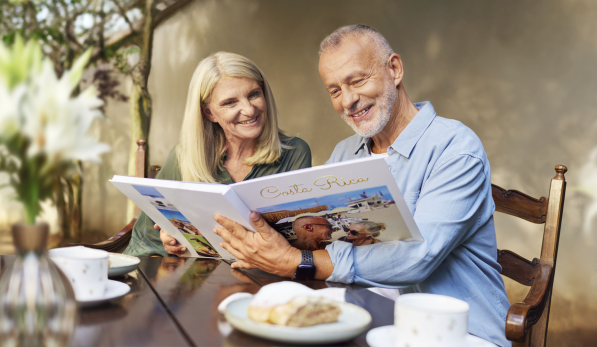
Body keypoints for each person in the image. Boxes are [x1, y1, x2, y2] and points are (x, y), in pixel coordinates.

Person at [213, 25, 510, 346]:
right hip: (366, 318)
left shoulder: (454, 147)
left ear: (394, 69)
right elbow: (317, 235)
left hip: (455, 331)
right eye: (335, 90)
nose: (348, 100)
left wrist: (298, 262)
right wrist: (261, 246)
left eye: (357, 81)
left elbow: (419, 258)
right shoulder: (346, 152)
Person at [123, 52, 312, 257]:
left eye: (254, 94)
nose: (249, 110)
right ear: (209, 113)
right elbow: (147, 237)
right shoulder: (185, 156)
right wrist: (171, 241)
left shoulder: (295, 153)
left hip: (263, 275)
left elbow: (297, 239)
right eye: (230, 102)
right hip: (196, 275)